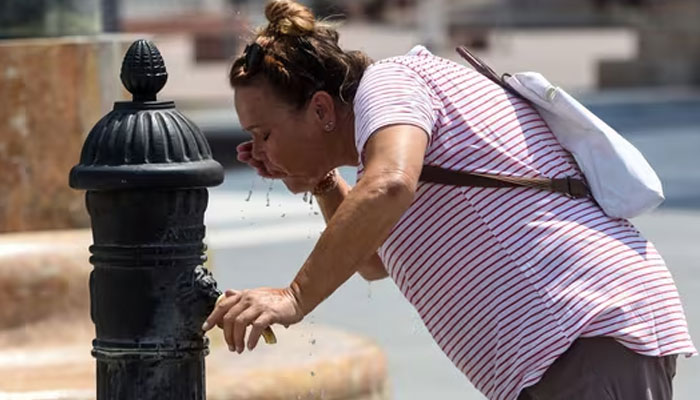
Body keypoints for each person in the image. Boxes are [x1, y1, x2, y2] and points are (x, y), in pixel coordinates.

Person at [202, 1, 696, 398]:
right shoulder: (381, 141)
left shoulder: (391, 83)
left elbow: (391, 185)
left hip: (581, 330)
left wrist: (293, 297)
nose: (256, 153)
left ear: (322, 109)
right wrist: (323, 181)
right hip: (567, 347)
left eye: (264, 134)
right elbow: (374, 259)